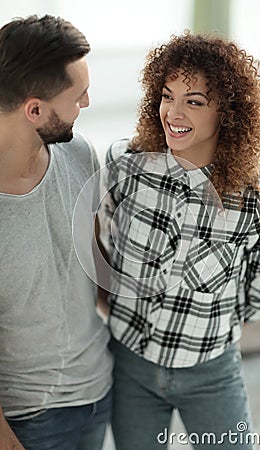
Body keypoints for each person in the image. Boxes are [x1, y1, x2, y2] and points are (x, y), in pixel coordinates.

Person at [98, 32, 260, 449]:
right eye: (168, 96)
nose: (174, 112)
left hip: (211, 370)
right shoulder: (124, 166)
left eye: (195, 101)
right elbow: (105, 246)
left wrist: (209, 320)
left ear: (229, 113)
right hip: (129, 362)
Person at [0, 15, 113, 450]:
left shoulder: (80, 154)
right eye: (77, 95)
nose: (86, 102)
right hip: (27, 419)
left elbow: (92, 259)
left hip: (98, 392)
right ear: (34, 110)